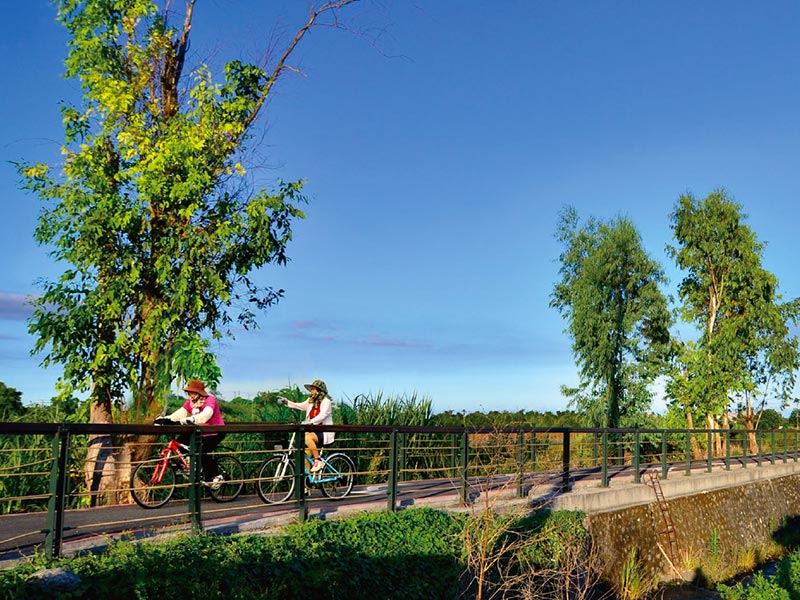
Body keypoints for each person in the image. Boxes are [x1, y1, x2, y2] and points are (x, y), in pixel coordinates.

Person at [164, 379, 226, 489]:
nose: (190, 395)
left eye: (192, 392)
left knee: (201, 451)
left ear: (199, 393)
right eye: (189, 393)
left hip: (214, 432)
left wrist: (190, 419)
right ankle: (189, 467)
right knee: (180, 442)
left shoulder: (210, 400)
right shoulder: (191, 402)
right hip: (200, 432)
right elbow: (181, 412)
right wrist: (166, 419)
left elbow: (206, 414)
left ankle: (216, 476)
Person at [278, 379, 335, 472]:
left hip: (323, 433)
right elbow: (299, 406)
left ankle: (318, 460)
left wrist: (310, 422)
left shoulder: (326, 402)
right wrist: (286, 402)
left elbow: (322, 415)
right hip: (313, 432)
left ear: (319, 391)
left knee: (307, 438)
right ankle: (307, 484)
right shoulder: (310, 401)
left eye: (313, 389)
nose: (311, 391)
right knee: (305, 459)